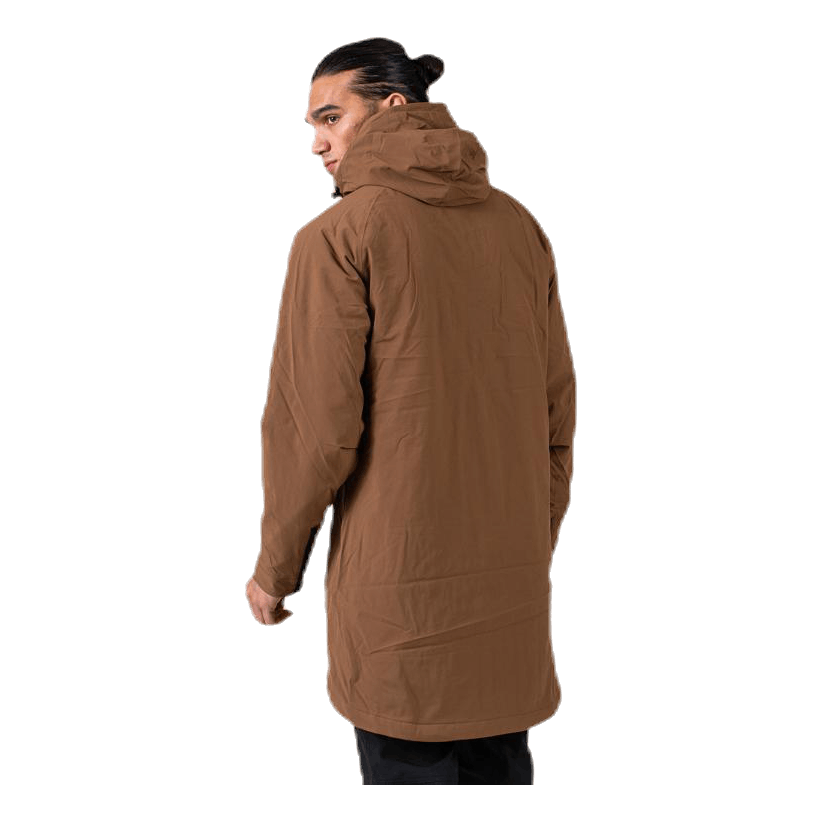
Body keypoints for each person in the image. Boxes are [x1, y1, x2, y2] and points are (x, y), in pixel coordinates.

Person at [246, 37, 576, 785]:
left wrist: (275, 570)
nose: (316, 142)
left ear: (393, 107)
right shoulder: (520, 227)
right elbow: (558, 416)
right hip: (509, 596)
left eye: (331, 117)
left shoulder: (338, 237)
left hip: (400, 608)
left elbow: (314, 433)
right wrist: (532, 541)